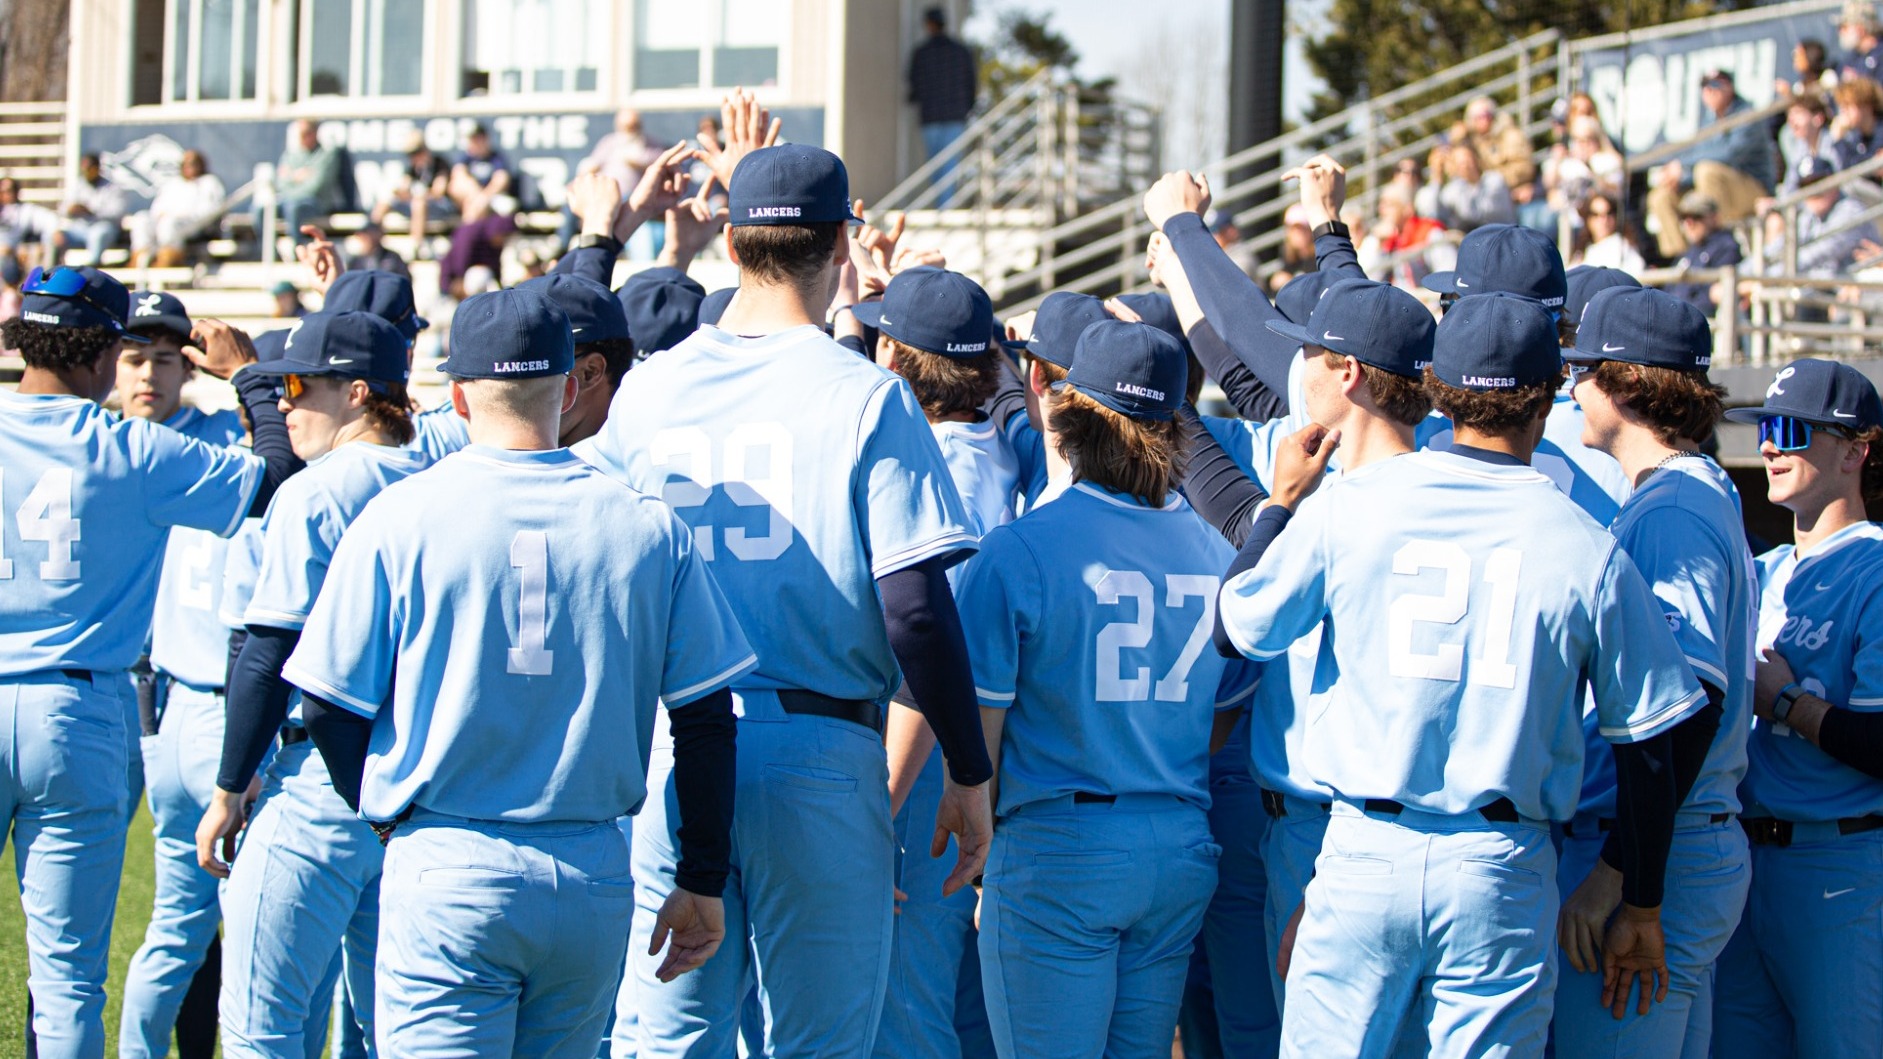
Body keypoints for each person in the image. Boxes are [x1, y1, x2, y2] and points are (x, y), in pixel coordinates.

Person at [577, 120, 994, 1058]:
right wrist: (967, 767)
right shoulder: (863, 391)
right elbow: (915, 608)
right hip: (818, 746)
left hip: (674, 748)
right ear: (844, 245)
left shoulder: (647, 390)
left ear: (729, 244)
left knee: (668, 1042)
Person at [1218, 292, 1708, 1057]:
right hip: (1498, 865)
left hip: (1362, 845)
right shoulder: (1586, 543)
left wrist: (1280, 504)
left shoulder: (1352, 505)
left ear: (1438, 389)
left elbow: (1236, 630)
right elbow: (1650, 743)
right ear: (1545, 401)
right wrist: (1640, 901)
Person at [277, 287, 752, 1055]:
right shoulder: (647, 524)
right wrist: (700, 873)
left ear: (457, 395)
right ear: (569, 388)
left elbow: (329, 705)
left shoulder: (402, 515)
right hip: (592, 864)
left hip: (448, 852)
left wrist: (382, 811)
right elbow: (704, 719)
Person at [0, 265, 292, 1056]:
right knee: (67, 977)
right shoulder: (133, 447)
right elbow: (276, 477)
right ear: (101, 355)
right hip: (81, 706)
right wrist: (253, 379)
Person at [954, 317, 1253, 1059]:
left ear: (1068, 409)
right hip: (1178, 837)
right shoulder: (1216, 549)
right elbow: (1217, 719)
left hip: (1061, 843)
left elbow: (981, 737)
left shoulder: (1021, 544)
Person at [194, 311, 428, 1058]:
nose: (284, 404)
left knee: (260, 1026)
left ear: (356, 392)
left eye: (296, 385)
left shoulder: (316, 490)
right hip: (416, 780)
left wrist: (232, 785)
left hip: (318, 787)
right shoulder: (440, 481)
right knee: (383, 1029)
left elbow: (268, 649)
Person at [1554, 286, 1753, 1057]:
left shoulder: (1671, 508)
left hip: (1654, 846)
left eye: (1586, 370)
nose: (1572, 386)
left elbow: (1687, 709)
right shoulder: (1683, 491)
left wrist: (1624, 878)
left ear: (1629, 384)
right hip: (1674, 838)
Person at [847, 266, 1015, 1059]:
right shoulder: (989, 441)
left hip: (919, 765)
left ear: (894, 355)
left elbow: (927, 652)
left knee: (904, 1012)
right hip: (956, 753)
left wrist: (877, 811)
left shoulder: (941, 464)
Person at [1711, 358, 1883, 1059]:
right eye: (1762, 430)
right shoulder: (1761, 569)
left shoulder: (1874, 568)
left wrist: (1784, 701)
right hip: (1745, 863)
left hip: (1839, 866)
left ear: (1853, 449)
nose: (1769, 447)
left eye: (1789, 430)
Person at [113, 290, 253, 1059]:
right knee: (240, 928)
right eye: (135, 357)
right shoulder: (215, 452)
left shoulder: (208, 437)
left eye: (166, 360)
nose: (150, 375)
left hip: (174, 702)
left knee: (176, 925)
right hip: (181, 702)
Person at [1647, 69, 1778, 255]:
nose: (1710, 91)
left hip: (1754, 190)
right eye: (1705, 87)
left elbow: (1729, 155)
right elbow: (1699, 155)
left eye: (1716, 85)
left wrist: (1683, 167)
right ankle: (1683, 259)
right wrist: (1679, 175)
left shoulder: (1747, 114)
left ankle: (1716, 246)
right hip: (1717, 185)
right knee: (1661, 195)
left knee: (1707, 171)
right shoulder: (1708, 120)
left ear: (1730, 87)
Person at [908, 6, 978, 205]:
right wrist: (967, 108)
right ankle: (945, 207)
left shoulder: (921, 53)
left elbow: (913, 84)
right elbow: (971, 84)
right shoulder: (961, 51)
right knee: (950, 166)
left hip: (931, 117)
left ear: (929, 25)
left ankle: (943, 207)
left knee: (936, 165)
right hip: (955, 116)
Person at [1769, 155, 1878, 279]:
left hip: (1858, 288)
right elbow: (1777, 247)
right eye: (1806, 185)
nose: (1814, 192)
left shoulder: (1850, 210)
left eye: (1818, 182)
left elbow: (1816, 255)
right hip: (1829, 286)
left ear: (1833, 181)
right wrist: (1746, 272)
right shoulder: (1808, 216)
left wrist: (1764, 277)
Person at [131, 150, 225, 268]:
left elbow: (210, 212)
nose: (188, 167)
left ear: (201, 165)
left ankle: (166, 264)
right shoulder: (172, 183)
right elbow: (157, 208)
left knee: (169, 223)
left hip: (195, 226)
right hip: (163, 225)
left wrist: (180, 216)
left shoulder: (210, 182)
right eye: (185, 164)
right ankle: (138, 262)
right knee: (142, 219)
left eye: (193, 163)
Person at [259, 120, 342, 249]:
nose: (301, 138)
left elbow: (315, 186)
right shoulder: (290, 155)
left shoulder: (325, 155)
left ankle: (297, 251)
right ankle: (270, 251)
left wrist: (292, 178)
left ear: (314, 133)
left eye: (305, 133)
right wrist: (298, 178)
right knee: (262, 210)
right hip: (289, 201)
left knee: (294, 208)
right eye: (299, 134)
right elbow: (281, 184)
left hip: (315, 203)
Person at [370, 131, 452, 260]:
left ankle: (416, 246)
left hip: (439, 208)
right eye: (411, 154)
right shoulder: (412, 169)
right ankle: (371, 236)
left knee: (419, 203)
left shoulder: (439, 164)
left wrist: (419, 195)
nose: (414, 157)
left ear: (424, 149)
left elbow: (438, 191)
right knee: (385, 200)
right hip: (415, 205)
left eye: (417, 152)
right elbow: (403, 189)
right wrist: (403, 193)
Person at [1665, 193, 1743, 316]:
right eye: (1684, 218)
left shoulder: (1726, 247)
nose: (1689, 223)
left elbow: (1710, 296)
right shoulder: (1689, 252)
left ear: (1715, 218)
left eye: (1696, 216)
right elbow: (1669, 290)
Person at [48, 154, 127, 267]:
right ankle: (52, 271)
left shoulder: (112, 187)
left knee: (98, 234)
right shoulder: (78, 185)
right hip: (80, 228)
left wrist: (91, 211)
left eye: (90, 168)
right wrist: (71, 209)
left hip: (103, 227)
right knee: (56, 237)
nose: (86, 172)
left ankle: (92, 270)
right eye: (84, 169)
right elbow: (63, 209)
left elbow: (117, 212)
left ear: (97, 168)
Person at [1456, 95, 1536, 193]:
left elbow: (1524, 168)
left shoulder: (1510, 135)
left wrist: (1495, 180)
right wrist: (1458, 138)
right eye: (1478, 117)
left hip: (1512, 190)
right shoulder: (1473, 142)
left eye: (1486, 115)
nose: (1484, 120)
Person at [1429, 144, 1515, 232]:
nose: (1464, 165)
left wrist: (1455, 177)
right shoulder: (1455, 188)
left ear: (1475, 159)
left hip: (1505, 233)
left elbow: (1476, 214)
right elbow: (1436, 214)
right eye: (1458, 162)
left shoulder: (1494, 179)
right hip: (1481, 240)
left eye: (1466, 159)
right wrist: (1437, 177)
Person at [1571, 192, 1646, 274]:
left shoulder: (1622, 246)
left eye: (1608, 213)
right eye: (1596, 215)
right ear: (1588, 219)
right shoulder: (1582, 250)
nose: (1604, 220)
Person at [1779, 93, 1843, 186]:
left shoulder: (1835, 143)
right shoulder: (1799, 150)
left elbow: (1842, 179)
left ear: (1818, 119)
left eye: (1798, 113)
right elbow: (1790, 185)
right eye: (1790, 115)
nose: (1791, 120)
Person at [0, 175, 58, 266]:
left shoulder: (25, 210)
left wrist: (51, 236)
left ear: (16, 192)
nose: (5, 194)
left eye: (9, 191)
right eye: (2, 191)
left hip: (15, 254)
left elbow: (49, 219)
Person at [1830, 75, 1883, 168]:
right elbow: (1849, 169)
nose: (1843, 112)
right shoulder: (1856, 138)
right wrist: (1839, 140)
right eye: (1842, 107)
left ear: (1866, 106)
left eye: (1848, 106)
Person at [1838, 0, 1883, 81]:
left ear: (1860, 29)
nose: (1840, 32)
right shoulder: (1852, 57)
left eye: (1844, 27)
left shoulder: (1880, 55)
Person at [343, 222, 408, 277]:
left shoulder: (393, 258)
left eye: (370, 235)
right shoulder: (355, 262)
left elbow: (404, 279)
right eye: (364, 235)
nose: (367, 239)